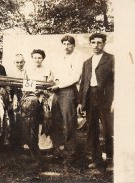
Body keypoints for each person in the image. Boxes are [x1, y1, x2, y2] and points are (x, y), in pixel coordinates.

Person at [77, 33, 114, 172]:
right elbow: (83, 84)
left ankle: (110, 160)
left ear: (104, 44)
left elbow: (116, 81)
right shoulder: (87, 62)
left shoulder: (111, 59)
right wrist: (81, 102)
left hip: (105, 98)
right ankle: (96, 159)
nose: (96, 45)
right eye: (93, 42)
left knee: (107, 129)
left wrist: (115, 100)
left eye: (99, 42)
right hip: (90, 97)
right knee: (92, 130)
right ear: (90, 44)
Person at [48, 35, 84, 167]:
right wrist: (52, 82)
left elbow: (76, 76)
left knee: (69, 123)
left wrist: (60, 85)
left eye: (69, 44)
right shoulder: (59, 57)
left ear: (73, 45)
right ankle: (58, 151)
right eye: (64, 44)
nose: (66, 46)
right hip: (56, 91)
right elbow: (54, 74)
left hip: (68, 91)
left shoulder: (78, 57)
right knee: (55, 120)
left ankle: (71, 154)